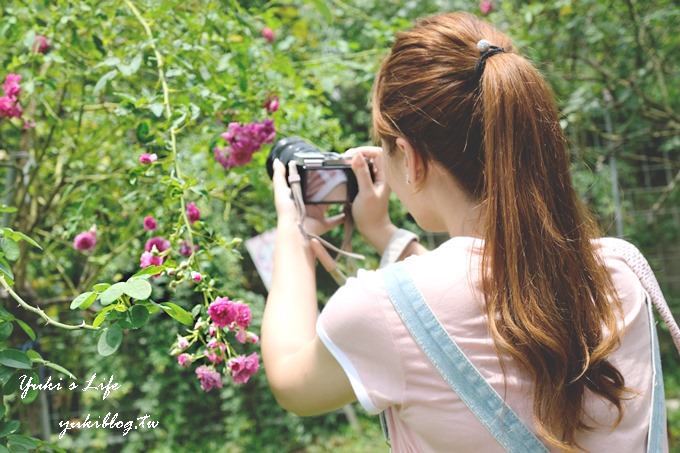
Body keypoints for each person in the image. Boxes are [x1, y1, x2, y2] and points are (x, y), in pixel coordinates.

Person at [262, 11, 669, 452]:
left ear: (410, 156)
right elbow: (479, 302)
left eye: (383, 142)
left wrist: (295, 231)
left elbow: (291, 380)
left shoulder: (377, 311)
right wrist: (382, 233)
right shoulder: (619, 273)